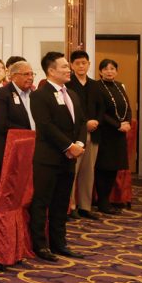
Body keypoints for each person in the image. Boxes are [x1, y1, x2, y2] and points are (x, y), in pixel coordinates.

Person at [29, 52, 87, 262]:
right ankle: (40, 245)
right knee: (42, 201)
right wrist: (68, 146)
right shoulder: (40, 95)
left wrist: (79, 144)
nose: (68, 69)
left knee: (61, 202)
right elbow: (45, 126)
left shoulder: (72, 94)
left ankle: (59, 243)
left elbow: (81, 122)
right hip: (48, 158)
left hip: (69, 158)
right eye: (64, 66)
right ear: (51, 70)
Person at [66, 50, 104, 220]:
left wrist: (96, 122)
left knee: (88, 172)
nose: (81, 66)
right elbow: (70, 110)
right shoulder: (68, 84)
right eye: (77, 63)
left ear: (89, 64)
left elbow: (102, 108)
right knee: (73, 171)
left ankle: (85, 207)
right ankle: (71, 206)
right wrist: (85, 123)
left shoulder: (96, 85)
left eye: (84, 63)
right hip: (75, 135)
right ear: (71, 65)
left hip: (94, 133)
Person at [95, 59, 131, 215]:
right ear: (100, 71)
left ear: (116, 71)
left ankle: (107, 200)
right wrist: (118, 125)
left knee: (114, 168)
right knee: (103, 167)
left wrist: (127, 122)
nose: (109, 71)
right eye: (105, 69)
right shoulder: (97, 87)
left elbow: (127, 107)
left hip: (119, 134)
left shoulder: (120, 86)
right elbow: (101, 112)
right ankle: (102, 202)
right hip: (105, 133)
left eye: (112, 69)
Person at [0, 59, 36, 172]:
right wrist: (29, 133)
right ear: (14, 76)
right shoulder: (2, 94)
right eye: (26, 74)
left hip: (32, 149)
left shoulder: (35, 95)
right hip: (9, 150)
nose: (30, 77)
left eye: (32, 74)